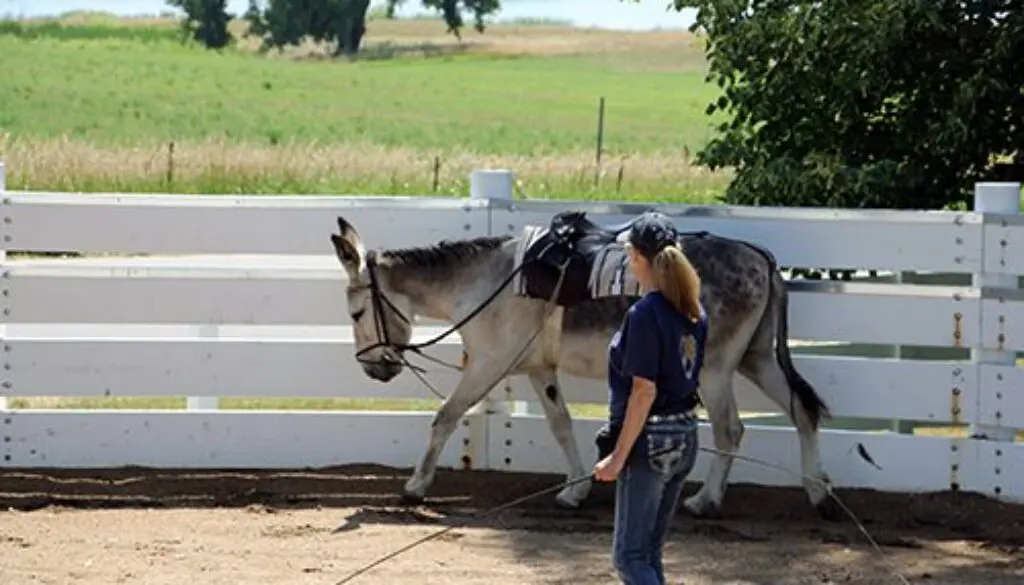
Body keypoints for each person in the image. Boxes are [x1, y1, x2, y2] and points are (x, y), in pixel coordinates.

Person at [592, 211, 708, 585]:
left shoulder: (644, 314)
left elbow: (644, 391)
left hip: (651, 442)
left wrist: (617, 456)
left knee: (629, 558)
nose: (629, 263)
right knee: (648, 553)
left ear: (640, 258)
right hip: (684, 434)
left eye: (630, 255)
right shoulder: (693, 310)